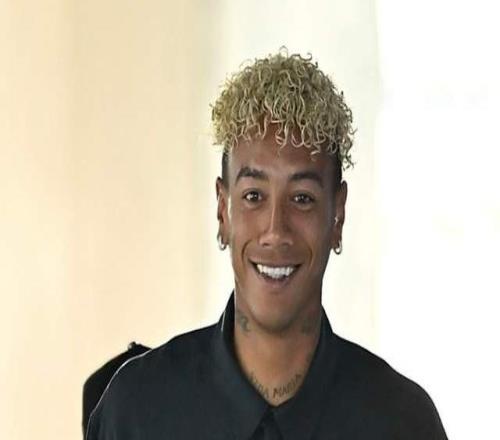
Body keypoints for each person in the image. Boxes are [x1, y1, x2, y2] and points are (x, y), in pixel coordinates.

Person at [86, 50, 448, 439]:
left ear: (338, 215)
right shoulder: (136, 410)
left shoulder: (401, 422)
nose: (276, 230)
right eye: (254, 196)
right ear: (223, 211)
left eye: (302, 198)